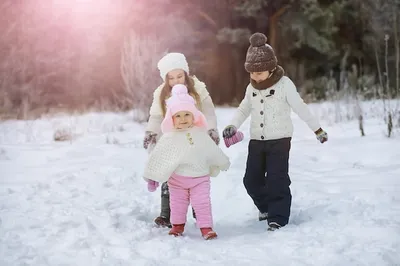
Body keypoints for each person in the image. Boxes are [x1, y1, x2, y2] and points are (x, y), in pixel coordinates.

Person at [222, 32, 328, 231]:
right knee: (250, 180)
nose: (255, 76)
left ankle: (278, 217)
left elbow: (301, 107)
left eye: (259, 72)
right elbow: (244, 108)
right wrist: (233, 125)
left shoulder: (284, 85)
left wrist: (317, 129)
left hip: (280, 140)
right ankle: (265, 207)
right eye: (252, 72)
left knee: (276, 180)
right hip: (257, 141)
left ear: (270, 68)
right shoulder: (251, 88)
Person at [143, 84, 230, 240]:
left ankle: (206, 228)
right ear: (171, 118)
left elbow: (211, 149)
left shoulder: (200, 133)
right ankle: (177, 226)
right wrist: (153, 176)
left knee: (202, 203)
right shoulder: (169, 137)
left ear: (194, 116)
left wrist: (222, 161)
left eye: (186, 115)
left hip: (200, 178)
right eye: (178, 116)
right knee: (177, 204)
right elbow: (159, 156)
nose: (183, 119)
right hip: (177, 180)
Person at [143, 52, 219, 228]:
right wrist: (151, 132)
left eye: (179, 76)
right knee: (169, 175)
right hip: (171, 141)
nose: (176, 81)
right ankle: (166, 214)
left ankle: (198, 209)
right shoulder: (160, 94)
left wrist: (211, 129)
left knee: (194, 175)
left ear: (186, 73)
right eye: (171, 78)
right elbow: (155, 116)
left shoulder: (198, 89)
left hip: (194, 140)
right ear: (165, 79)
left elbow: (209, 112)